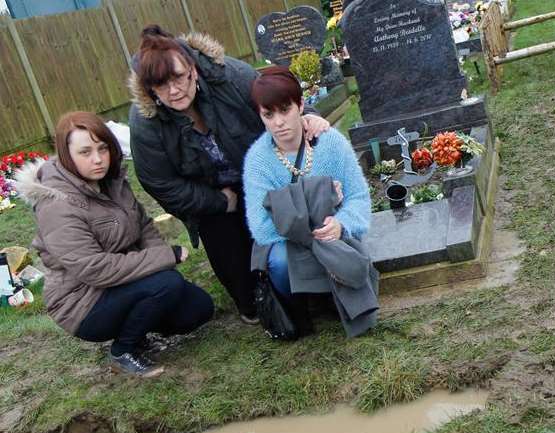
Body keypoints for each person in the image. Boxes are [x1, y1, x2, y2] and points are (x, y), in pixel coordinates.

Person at [128, 25, 329, 324]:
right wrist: (219, 202)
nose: (174, 91)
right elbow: (161, 184)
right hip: (212, 197)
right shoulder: (146, 124)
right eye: (161, 85)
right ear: (149, 89)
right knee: (237, 265)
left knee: (288, 231)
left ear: (193, 69)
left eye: (179, 78)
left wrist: (308, 115)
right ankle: (251, 300)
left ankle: (313, 285)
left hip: (261, 174)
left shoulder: (229, 76)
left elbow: (275, 95)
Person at [14, 112, 213, 377]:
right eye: (85, 152)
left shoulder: (112, 182)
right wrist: (164, 259)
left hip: (125, 281)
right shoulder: (57, 205)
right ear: (66, 154)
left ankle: (139, 325)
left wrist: (159, 267)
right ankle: (124, 350)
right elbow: (95, 269)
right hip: (83, 302)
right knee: (167, 285)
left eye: (102, 148)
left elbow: (142, 225)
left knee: (198, 308)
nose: (97, 159)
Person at [243, 67, 378, 338]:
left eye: (285, 110)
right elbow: (261, 227)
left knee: (339, 246)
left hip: (331, 233)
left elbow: (359, 198)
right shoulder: (258, 161)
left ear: (300, 105)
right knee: (279, 262)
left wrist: (341, 222)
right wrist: (320, 199)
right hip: (289, 242)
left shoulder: (331, 143)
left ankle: (332, 296)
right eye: (268, 115)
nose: (279, 122)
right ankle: (305, 301)